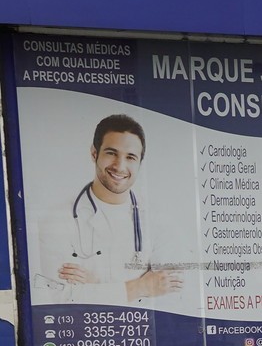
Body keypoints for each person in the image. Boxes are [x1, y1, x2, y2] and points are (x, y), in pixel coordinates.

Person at [35, 114, 179, 306]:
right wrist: (141, 287)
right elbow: (62, 296)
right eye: (111, 153)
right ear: (94, 154)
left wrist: (94, 286)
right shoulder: (57, 219)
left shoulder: (158, 218)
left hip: (144, 331)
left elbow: (173, 294)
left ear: (140, 163)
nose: (120, 166)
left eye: (130, 157)